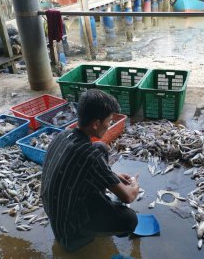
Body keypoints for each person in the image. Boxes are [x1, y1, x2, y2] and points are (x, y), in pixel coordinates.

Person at [41, 89, 140, 252]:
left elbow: (84, 163)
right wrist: (134, 185)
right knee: (130, 219)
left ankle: (97, 205)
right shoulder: (90, 156)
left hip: (55, 211)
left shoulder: (63, 135)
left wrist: (113, 176)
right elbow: (128, 197)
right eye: (109, 121)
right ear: (96, 124)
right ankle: (83, 236)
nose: (109, 125)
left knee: (100, 147)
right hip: (70, 231)